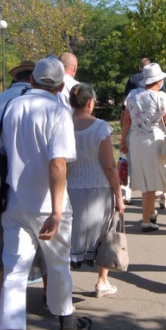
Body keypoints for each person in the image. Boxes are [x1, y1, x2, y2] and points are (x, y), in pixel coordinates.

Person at [0, 57, 90, 330]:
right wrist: (57, 210)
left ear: (33, 81)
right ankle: (66, 323)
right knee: (58, 263)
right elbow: (57, 164)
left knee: (14, 273)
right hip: (47, 204)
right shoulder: (58, 111)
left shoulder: (13, 107)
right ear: (61, 86)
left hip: (15, 201)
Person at [0, 60, 46, 310]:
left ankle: (2, 297)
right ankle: (50, 293)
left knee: (0, 237)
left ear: (17, 78)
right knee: (44, 238)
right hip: (36, 178)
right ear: (35, 78)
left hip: (0, 177)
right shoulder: (44, 102)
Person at [67, 83, 125, 297]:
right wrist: (119, 194)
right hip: (98, 188)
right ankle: (102, 281)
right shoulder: (100, 127)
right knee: (104, 234)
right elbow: (109, 165)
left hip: (70, 187)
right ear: (90, 102)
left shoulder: (63, 124)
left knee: (69, 235)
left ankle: (63, 283)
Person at [120, 63, 166, 232]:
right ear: (158, 80)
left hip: (136, 140)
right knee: (151, 180)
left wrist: (123, 141)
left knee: (145, 176)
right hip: (155, 140)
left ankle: (151, 213)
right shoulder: (162, 97)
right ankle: (145, 220)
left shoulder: (132, 95)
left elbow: (127, 121)